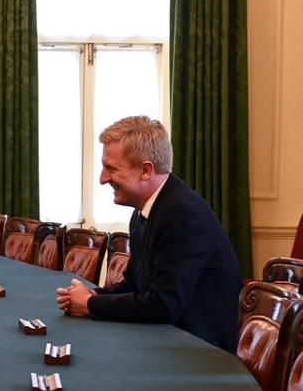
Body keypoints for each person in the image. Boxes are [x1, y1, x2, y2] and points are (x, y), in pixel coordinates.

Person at [55, 116, 242, 352]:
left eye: (111, 168)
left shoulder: (182, 213)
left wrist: (91, 304)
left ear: (145, 170)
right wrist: (94, 294)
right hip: (167, 341)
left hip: (198, 355)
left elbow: (164, 304)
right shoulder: (145, 210)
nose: (102, 179)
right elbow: (136, 284)